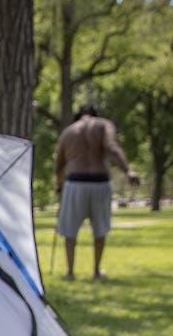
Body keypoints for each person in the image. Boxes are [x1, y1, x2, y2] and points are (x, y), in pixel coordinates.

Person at [54, 103, 139, 280]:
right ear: (95, 113)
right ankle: (96, 271)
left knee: (69, 230)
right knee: (99, 229)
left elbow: (59, 164)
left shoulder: (68, 132)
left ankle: (70, 273)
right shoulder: (103, 125)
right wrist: (127, 170)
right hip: (99, 181)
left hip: (74, 182)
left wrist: (59, 185)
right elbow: (111, 147)